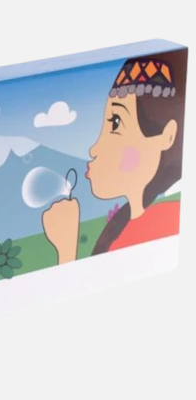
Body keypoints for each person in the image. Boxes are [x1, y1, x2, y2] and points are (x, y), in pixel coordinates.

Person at [42, 49, 186, 263]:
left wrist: (66, 248)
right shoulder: (123, 226)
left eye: (115, 123)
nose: (93, 149)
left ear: (168, 136)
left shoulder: (160, 221)